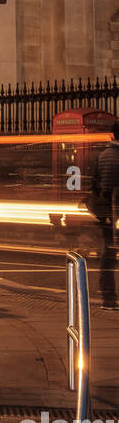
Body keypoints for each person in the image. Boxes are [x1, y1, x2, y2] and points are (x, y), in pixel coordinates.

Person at [87, 124, 119, 310]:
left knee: (108, 253)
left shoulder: (102, 155)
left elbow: (96, 183)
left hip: (106, 213)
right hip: (115, 210)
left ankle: (108, 297)